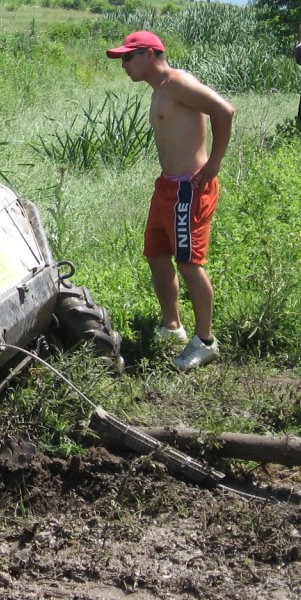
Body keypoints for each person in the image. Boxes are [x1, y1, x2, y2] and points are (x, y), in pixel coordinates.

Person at [106, 30, 234, 371]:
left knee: (189, 264)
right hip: (167, 187)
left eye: (127, 57)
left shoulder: (178, 82)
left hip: (190, 188)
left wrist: (214, 162)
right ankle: (172, 326)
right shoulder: (160, 89)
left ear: (149, 54)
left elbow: (224, 111)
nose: (123, 64)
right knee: (157, 255)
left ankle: (205, 341)